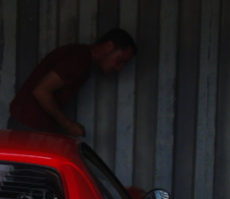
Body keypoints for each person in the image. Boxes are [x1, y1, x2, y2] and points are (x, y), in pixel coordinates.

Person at [9, 28, 137, 136]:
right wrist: (67, 124)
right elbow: (41, 91)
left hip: (31, 125)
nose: (119, 67)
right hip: (28, 126)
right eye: (120, 60)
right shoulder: (79, 59)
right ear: (109, 46)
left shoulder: (82, 58)